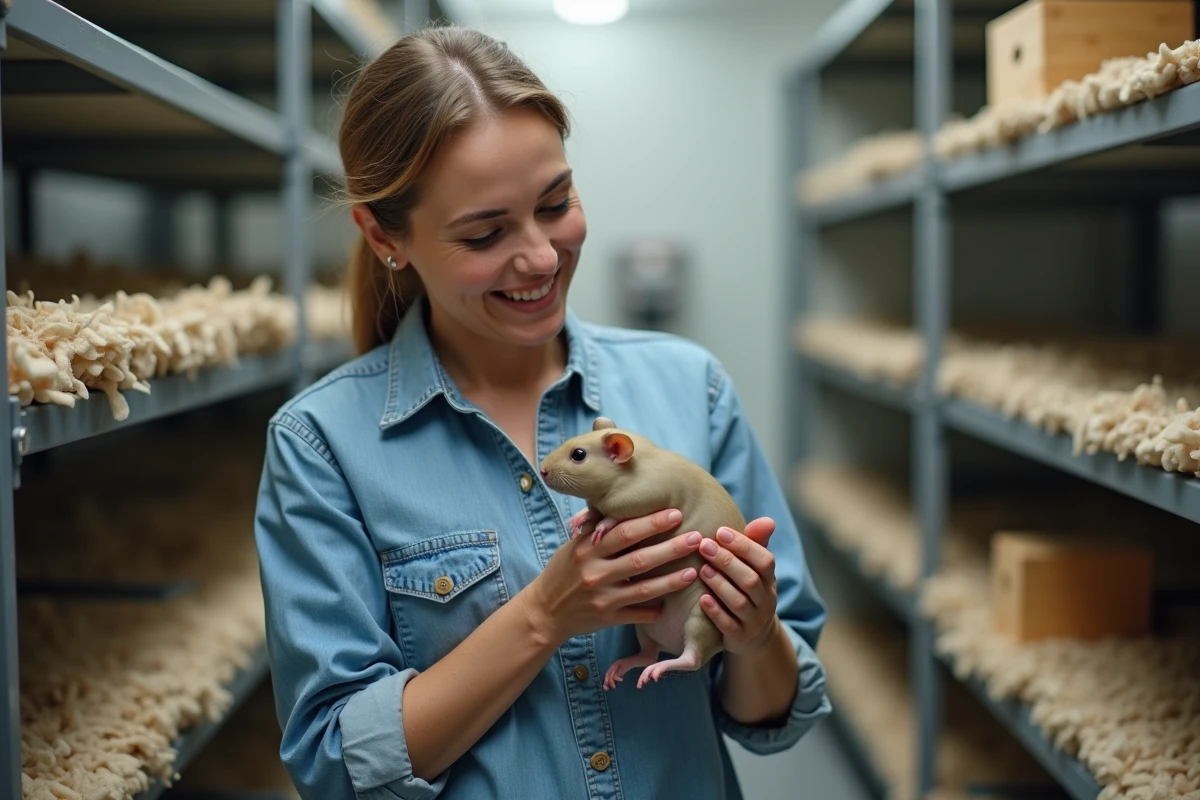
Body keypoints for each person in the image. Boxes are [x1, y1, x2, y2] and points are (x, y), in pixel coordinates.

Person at [253, 24, 830, 800]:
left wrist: (756, 637)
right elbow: (337, 764)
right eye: (486, 233)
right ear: (385, 235)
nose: (541, 257)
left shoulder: (688, 387)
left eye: (555, 203)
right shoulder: (322, 446)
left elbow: (775, 717)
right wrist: (547, 614)